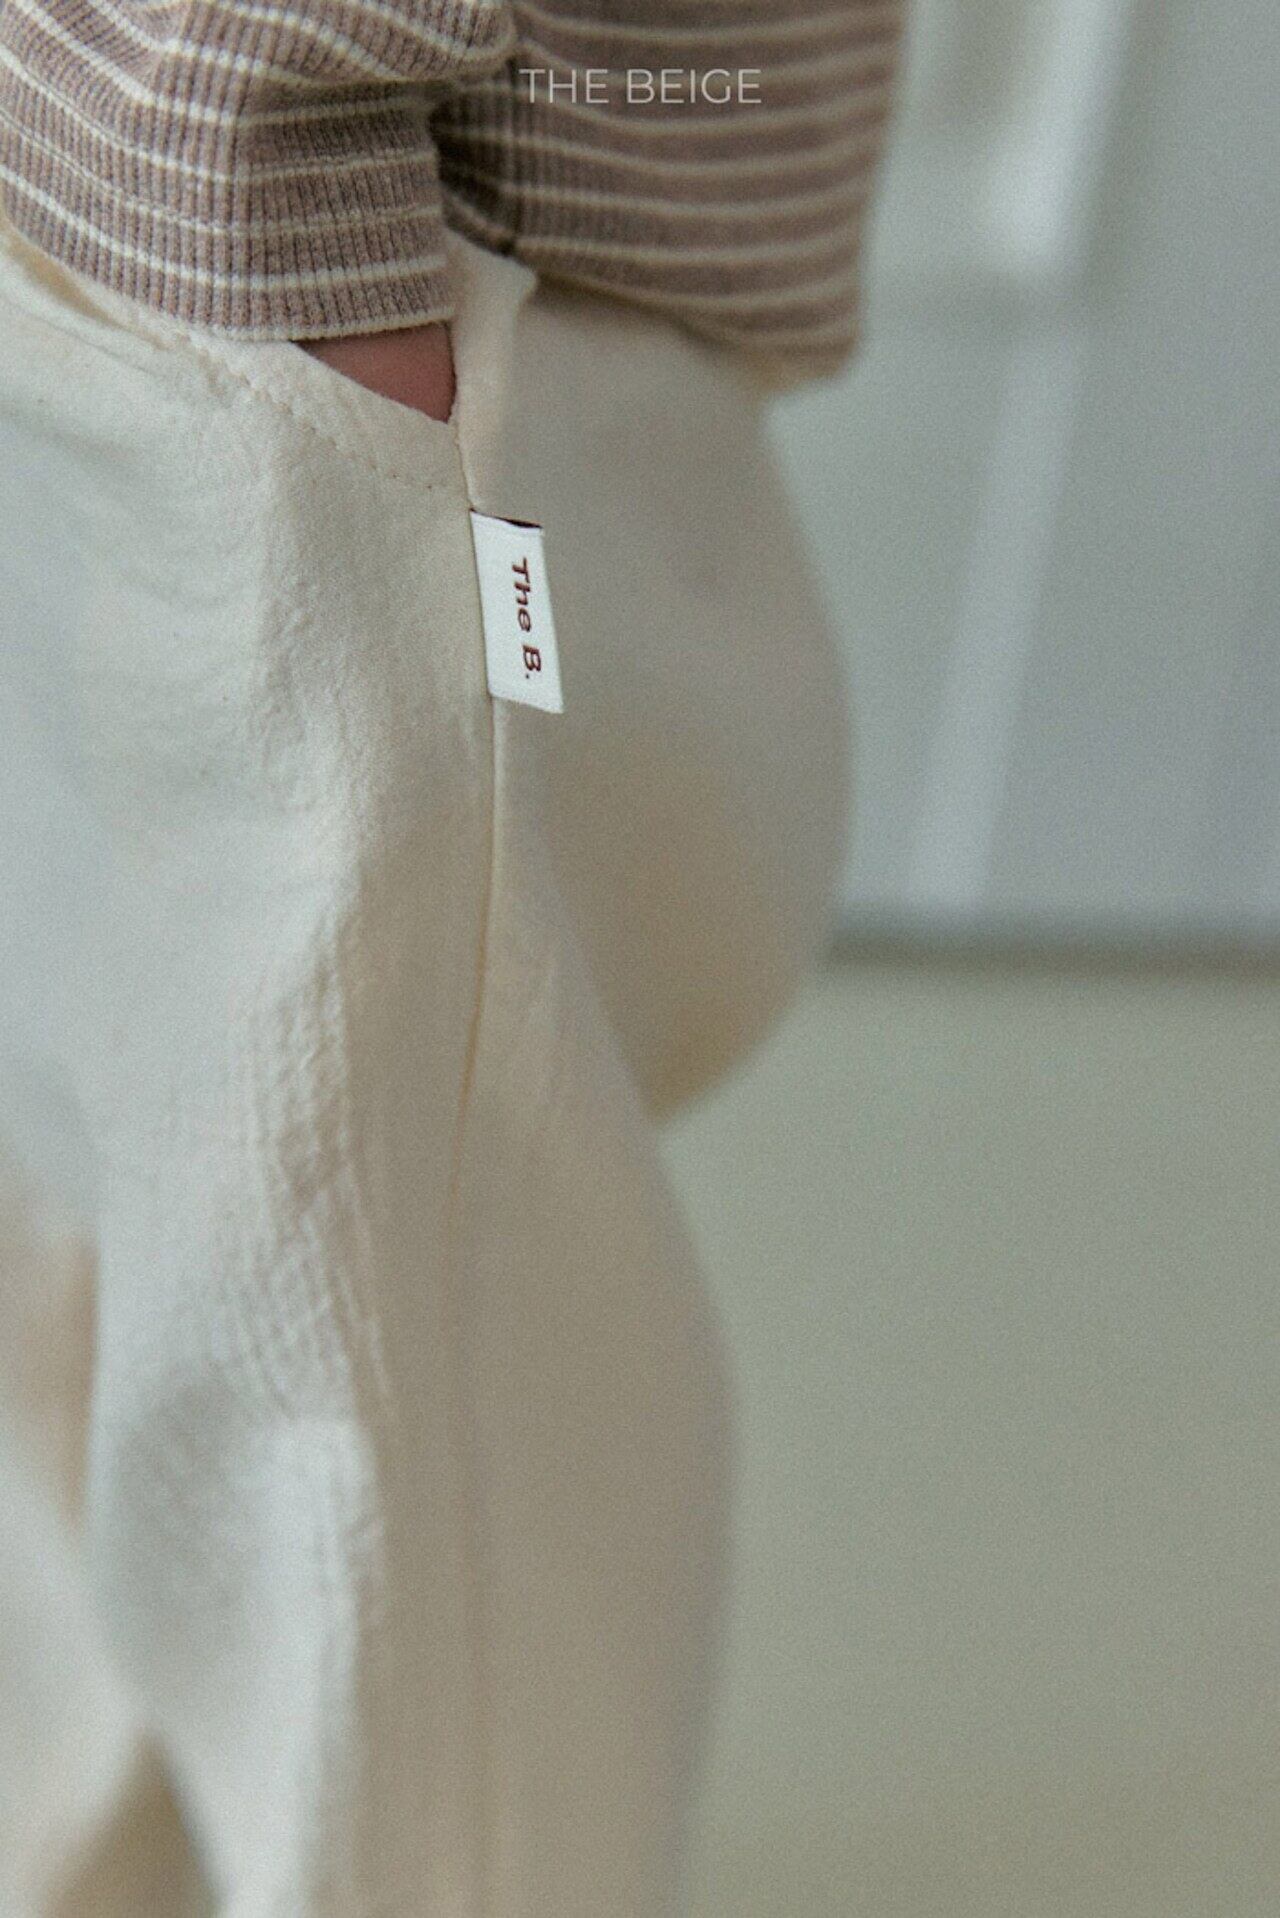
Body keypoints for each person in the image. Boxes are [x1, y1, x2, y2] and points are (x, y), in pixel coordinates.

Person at [0, 5, 903, 1913]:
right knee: (136, 1235)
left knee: (364, 1380)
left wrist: (266, 164)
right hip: (163, 231)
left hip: (262, 270)